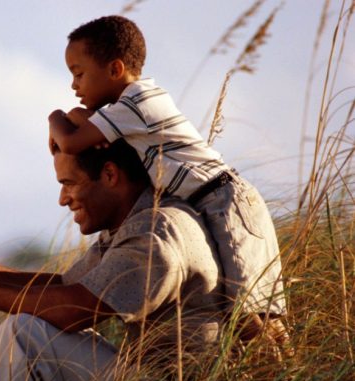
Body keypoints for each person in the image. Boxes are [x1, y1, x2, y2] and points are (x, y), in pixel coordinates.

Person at [0, 140, 227, 381]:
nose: (63, 199)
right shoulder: (134, 222)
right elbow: (66, 285)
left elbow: (76, 310)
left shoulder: (155, 235)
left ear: (110, 175)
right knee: (27, 331)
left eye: (69, 183)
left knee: (25, 334)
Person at [47, 16, 286, 323]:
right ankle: (282, 366)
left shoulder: (133, 106)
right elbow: (82, 119)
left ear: (115, 69)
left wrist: (53, 116)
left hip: (225, 202)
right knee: (249, 310)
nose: (73, 85)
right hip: (216, 198)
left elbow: (70, 141)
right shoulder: (138, 101)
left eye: (79, 74)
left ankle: (283, 369)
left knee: (250, 314)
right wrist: (73, 117)